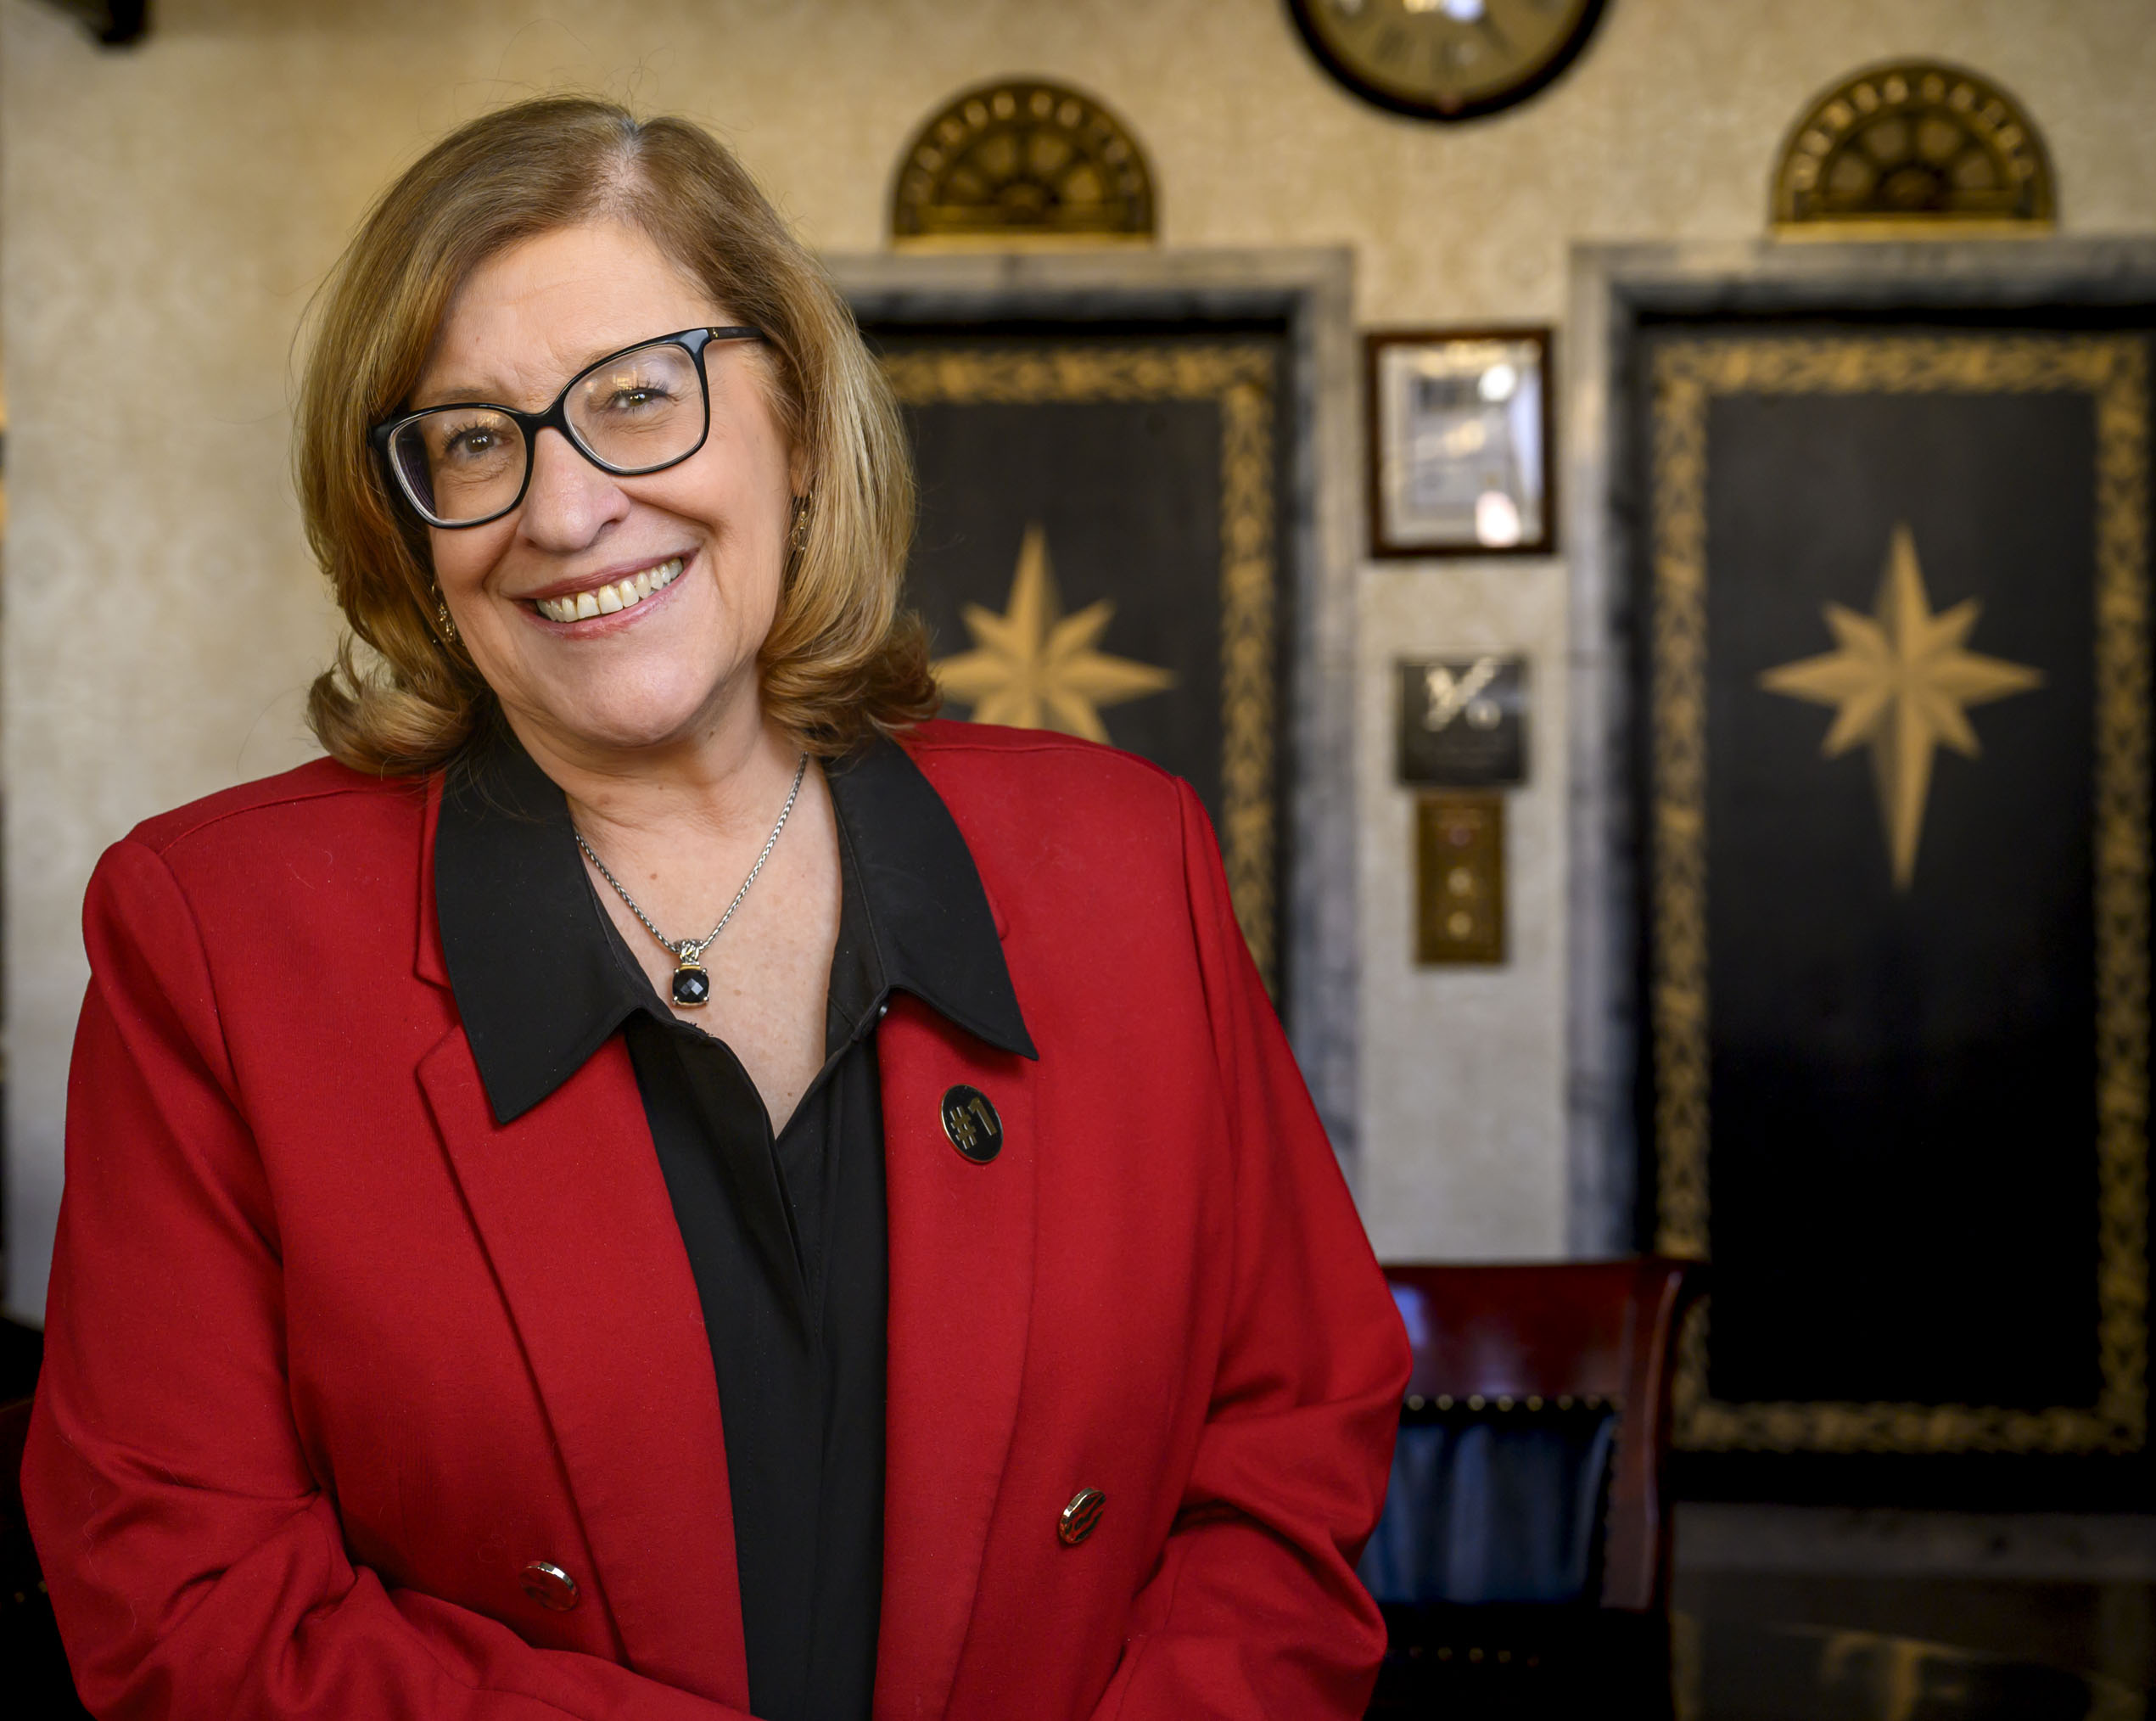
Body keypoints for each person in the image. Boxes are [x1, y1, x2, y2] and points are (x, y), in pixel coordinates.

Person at [24, 96, 1408, 1721]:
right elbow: (183, 1600)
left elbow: (1288, 1440)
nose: (563, 510)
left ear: (802, 430)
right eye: (473, 439)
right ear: (409, 527)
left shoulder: (1124, 855)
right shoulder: (214, 933)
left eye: (635, 397)